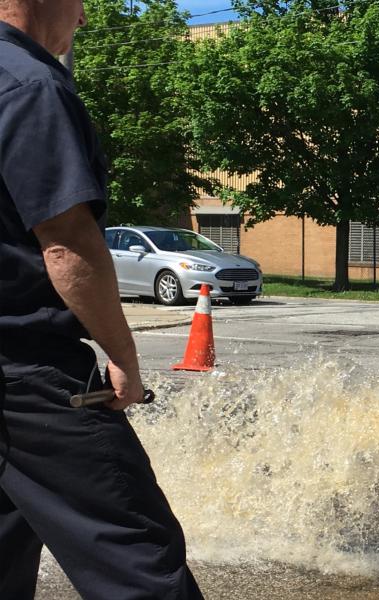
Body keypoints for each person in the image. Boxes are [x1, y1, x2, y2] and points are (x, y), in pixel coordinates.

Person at [0, 2, 203, 598]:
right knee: (134, 553)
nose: (85, 19)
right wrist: (123, 359)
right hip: (28, 372)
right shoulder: (31, 86)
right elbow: (67, 245)